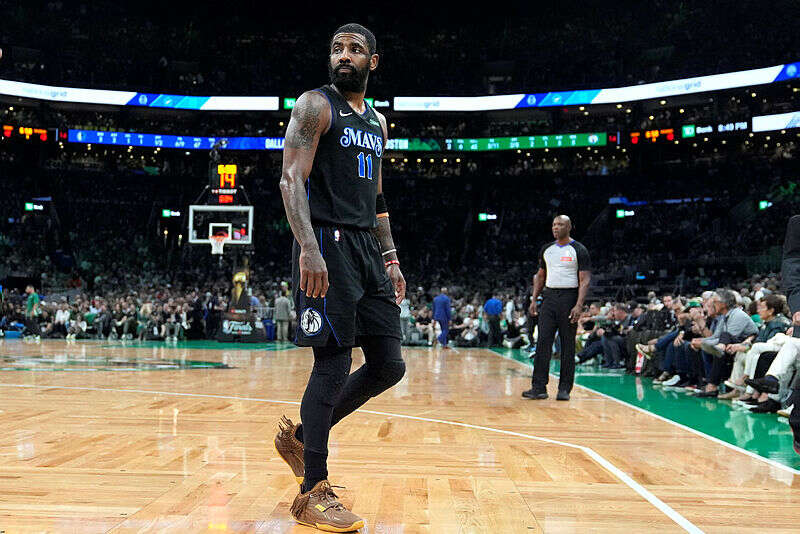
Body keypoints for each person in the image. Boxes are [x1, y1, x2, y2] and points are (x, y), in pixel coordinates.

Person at [274, 23, 406, 531]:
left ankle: (302, 438)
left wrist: (390, 257)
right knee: (332, 362)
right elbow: (291, 178)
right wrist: (308, 248)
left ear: (373, 61)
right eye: (336, 48)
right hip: (325, 243)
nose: (343, 55)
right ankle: (313, 491)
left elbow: (377, 198)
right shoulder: (315, 105)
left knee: (388, 365)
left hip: (367, 248)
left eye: (354, 49)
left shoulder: (377, 122)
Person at [523, 215, 591, 401]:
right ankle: (538, 388)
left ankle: (564, 389)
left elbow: (585, 279)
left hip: (569, 297)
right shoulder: (547, 249)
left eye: (560, 224)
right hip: (549, 297)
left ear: (569, 227)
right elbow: (540, 276)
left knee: (567, 345)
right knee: (542, 342)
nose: (555, 227)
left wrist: (579, 305)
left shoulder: (579, 249)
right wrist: (534, 299)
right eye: (554, 224)